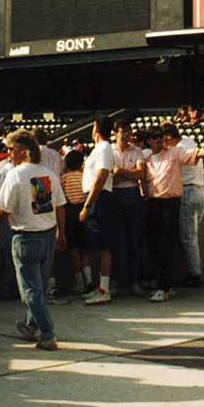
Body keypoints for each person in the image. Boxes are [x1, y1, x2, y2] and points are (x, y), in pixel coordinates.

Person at [143, 122, 204, 302]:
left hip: (171, 203)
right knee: (158, 245)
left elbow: (197, 154)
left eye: (161, 137)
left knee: (169, 244)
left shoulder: (175, 152)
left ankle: (166, 285)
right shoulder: (146, 157)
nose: (159, 140)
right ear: (149, 141)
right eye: (155, 137)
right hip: (154, 202)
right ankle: (165, 282)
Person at [0, 129, 66, 349]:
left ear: (22, 150)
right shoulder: (48, 174)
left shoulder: (15, 175)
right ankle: (30, 324)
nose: (8, 154)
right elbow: (59, 206)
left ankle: (48, 333)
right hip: (48, 235)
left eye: (11, 149)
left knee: (30, 290)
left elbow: (3, 209)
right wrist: (61, 233)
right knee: (40, 287)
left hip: (26, 237)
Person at [79, 116, 117, 305]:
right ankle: (100, 287)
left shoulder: (104, 148)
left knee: (104, 246)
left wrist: (87, 205)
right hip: (95, 198)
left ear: (96, 129)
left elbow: (101, 177)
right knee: (97, 245)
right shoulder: (99, 149)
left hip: (100, 199)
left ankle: (104, 289)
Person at [112, 120, 146, 295]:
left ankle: (135, 281)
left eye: (128, 131)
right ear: (115, 133)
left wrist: (120, 172)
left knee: (134, 240)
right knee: (117, 242)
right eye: (122, 131)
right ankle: (117, 282)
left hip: (132, 196)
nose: (126, 135)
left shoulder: (137, 151)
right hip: (115, 196)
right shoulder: (109, 152)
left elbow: (141, 174)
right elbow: (109, 178)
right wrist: (129, 173)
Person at [176, 124, 204, 287]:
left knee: (189, 237)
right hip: (201, 192)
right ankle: (193, 271)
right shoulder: (189, 141)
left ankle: (195, 274)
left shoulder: (178, 149)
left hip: (188, 192)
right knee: (192, 236)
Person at [61, 149, 90, 293]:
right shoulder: (84, 176)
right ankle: (89, 279)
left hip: (70, 212)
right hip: (84, 210)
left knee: (73, 248)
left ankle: (79, 282)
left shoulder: (64, 178)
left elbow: (62, 196)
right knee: (85, 248)